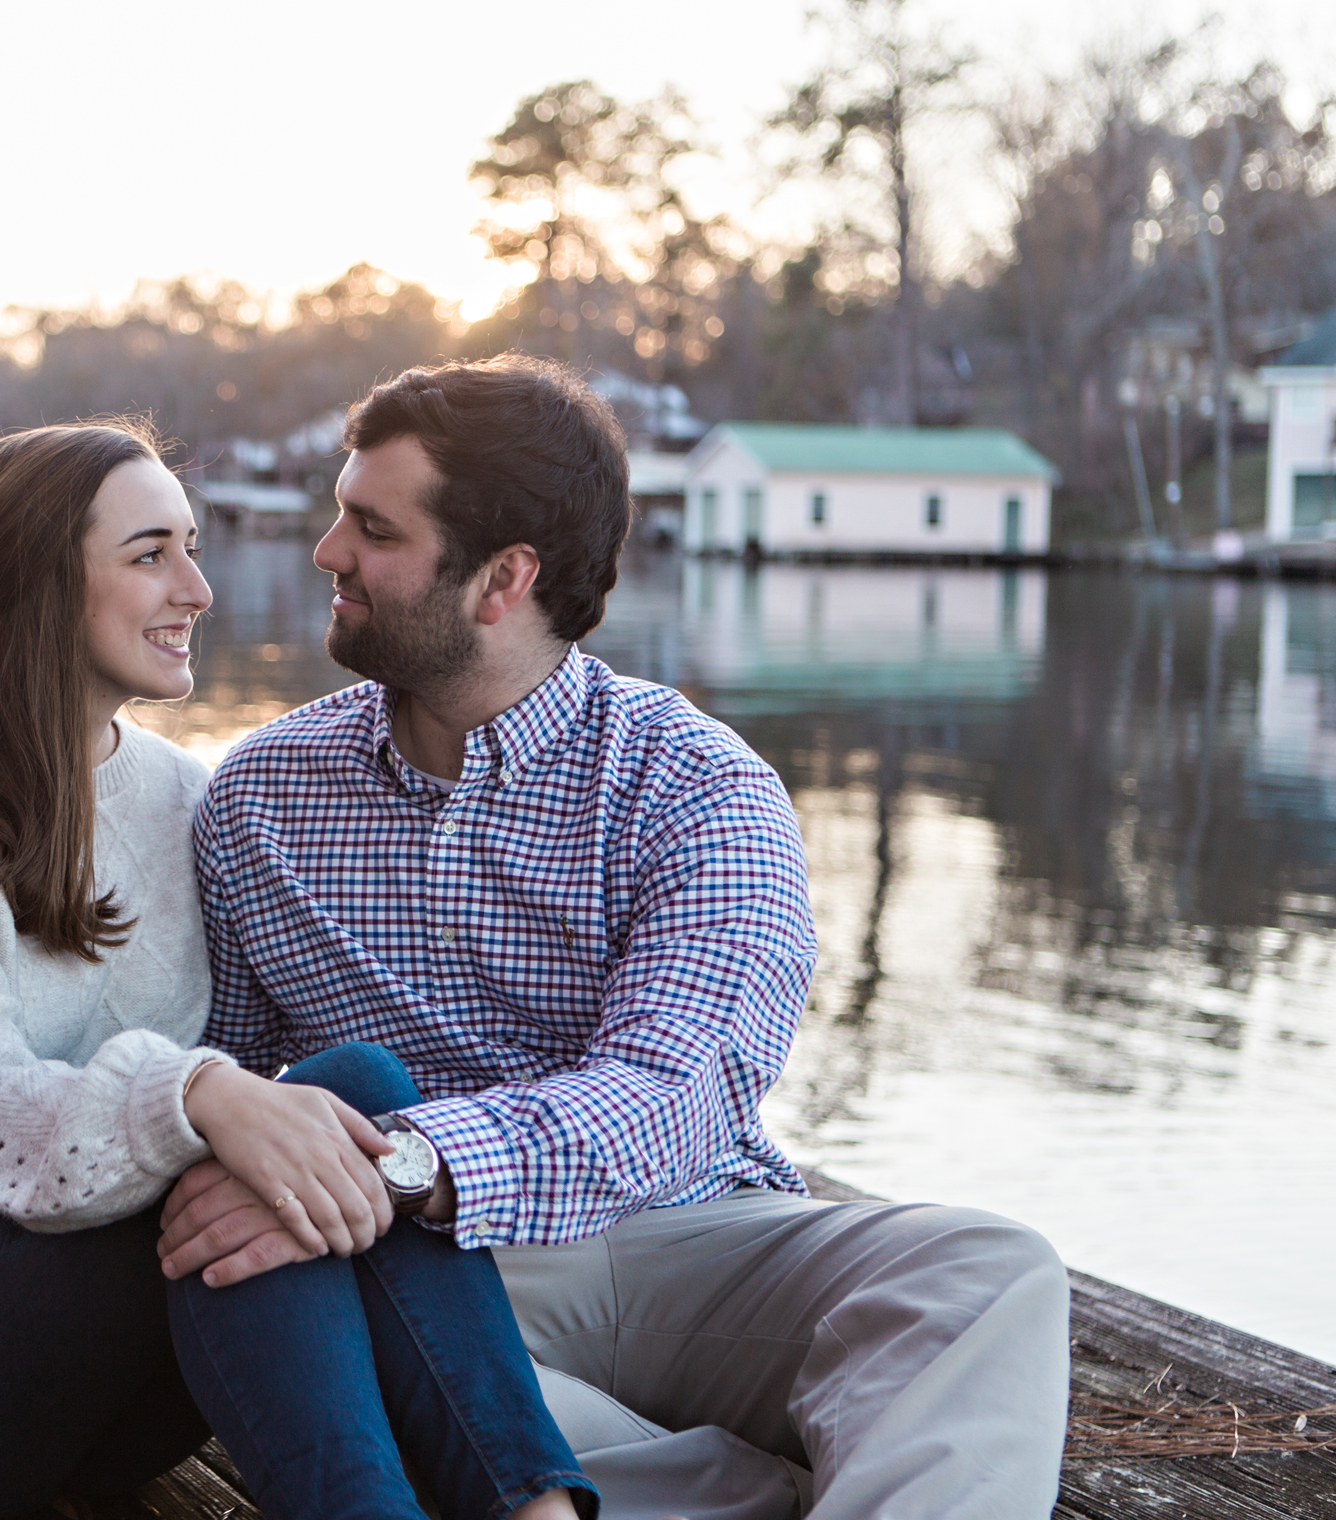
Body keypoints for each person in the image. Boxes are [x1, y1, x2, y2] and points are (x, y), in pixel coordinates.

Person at [164, 356, 1073, 1520]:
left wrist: (404, 1158)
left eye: (372, 527)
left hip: (692, 1238)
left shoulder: (692, 783)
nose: (326, 550)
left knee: (988, 1270)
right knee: (312, 1312)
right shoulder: (262, 794)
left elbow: (671, 1091)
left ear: (503, 578)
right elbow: (218, 1065)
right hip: (430, 1282)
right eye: (341, 511)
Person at [0, 419, 600, 1520]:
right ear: (42, 584)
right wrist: (198, 1092)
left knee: (363, 1092)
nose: (199, 587)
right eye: (150, 554)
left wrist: (266, 1114)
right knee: (239, 1140)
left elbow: (259, 1087)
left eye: (192, 546)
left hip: (104, 1396)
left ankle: (531, 1510)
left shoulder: (185, 796)